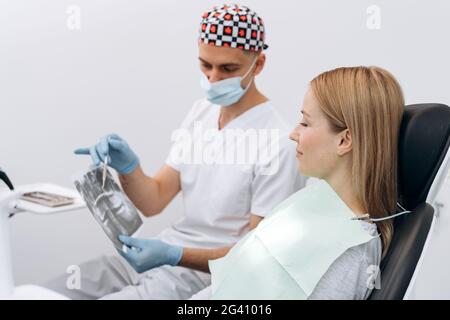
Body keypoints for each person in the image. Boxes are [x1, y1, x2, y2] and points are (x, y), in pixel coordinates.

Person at [44, 4, 304, 300]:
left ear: (258, 64)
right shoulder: (201, 112)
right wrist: (128, 168)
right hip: (157, 254)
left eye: (228, 69)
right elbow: (154, 201)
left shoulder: (279, 142)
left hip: (203, 275)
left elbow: (256, 255)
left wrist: (175, 255)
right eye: (205, 65)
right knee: (46, 292)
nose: (213, 79)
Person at [190, 66, 405, 300]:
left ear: (344, 140)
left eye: (305, 123)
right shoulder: (311, 203)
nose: (293, 134)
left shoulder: (349, 252)